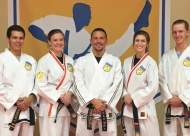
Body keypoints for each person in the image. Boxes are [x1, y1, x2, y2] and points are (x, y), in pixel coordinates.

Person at [28, 1, 152, 60]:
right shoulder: (58, 21)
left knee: (113, 50)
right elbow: (33, 27)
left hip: (72, 71)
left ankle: (138, 25)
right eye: (89, 15)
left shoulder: (84, 36)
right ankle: (138, 25)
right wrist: (51, 42)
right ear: (79, 14)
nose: (90, 18)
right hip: (59, 64)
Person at [74, 28, 123, 136]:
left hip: (106, 109)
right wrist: (93, 101)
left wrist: (103, 104)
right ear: (91, 41)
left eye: (101, 38)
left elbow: (118, 84)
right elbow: (77, 84)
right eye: (95, 38)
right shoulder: (81, 61)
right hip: (87, 109)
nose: (98, 41)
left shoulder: (115, 61)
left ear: (106, 41)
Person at [35, 29, 76, 136]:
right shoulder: (44, 61)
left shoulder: (70, 60)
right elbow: (40, 85)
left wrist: (70, 93)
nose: (59, 43)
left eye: (61, 40)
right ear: (49, 42)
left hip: (65, 107)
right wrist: (59, 96)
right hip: (51, 108)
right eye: (55, 40)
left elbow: (75, 81)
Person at [0, 25, 37, 136]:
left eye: (21, 38)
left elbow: (38, 84)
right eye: (15, 38)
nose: (18, 41)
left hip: (27, 109)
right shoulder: (2, 59)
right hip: (8, 109)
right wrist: (16, 100)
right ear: (8, 39)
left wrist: (31, 98)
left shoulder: (30, 60)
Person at [122, 30, 160, 136]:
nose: (139, 43)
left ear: (147, 43)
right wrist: (125, 95)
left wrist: (133, 97)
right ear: (133, 42)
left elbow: (153, 87)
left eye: (143, 41)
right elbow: (122, 83)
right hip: (128, 109)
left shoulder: (151, 63)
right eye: (137, 40)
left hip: (144, 108)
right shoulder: (127, 61)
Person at [159, 19, 190, 136]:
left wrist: (182, 98)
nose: (177, 35)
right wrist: (169, 97)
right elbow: (161, 80)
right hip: (170, 105)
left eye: (180, 31)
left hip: (187, 104)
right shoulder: (166, 57)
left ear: (188, 32)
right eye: (174, 32)